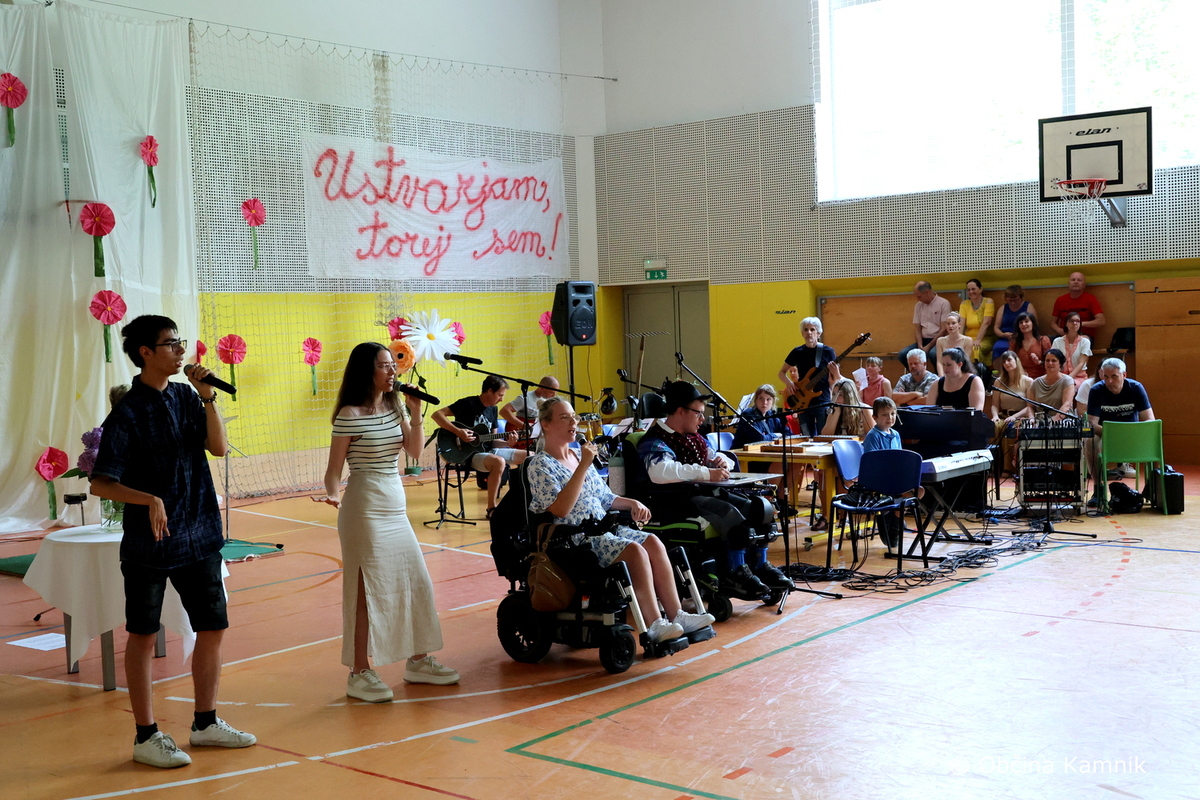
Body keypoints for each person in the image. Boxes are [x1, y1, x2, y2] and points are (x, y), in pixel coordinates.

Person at [90, 316, 255, 769]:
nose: (181, 351)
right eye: (170, 344)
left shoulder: (186, 395)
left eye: (180, 342)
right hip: (151, 543)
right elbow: (101, 483)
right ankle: (146, 735)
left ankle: (205, 723)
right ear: (145, 352)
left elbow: (218, 448)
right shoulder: (127, 413)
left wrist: (208, 397)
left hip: (199, 532)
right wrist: (149, 499)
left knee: (213, 626)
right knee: (143, 635)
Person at [314, 342, 458, 703]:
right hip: (364, 508)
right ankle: (358, 671)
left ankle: (419, 660)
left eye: (393, 365)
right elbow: (333, 470)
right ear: (367, 371)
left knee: (415, 582)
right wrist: (333, 494)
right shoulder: (349, 414)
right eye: (384, 366)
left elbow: (414, 451)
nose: (392, 371)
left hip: (395, 507)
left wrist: (416, 411)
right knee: (366, 591)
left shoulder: (396, 407)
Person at [526, 397, 715, 642]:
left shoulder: (577, 456)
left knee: (653, 542)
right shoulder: (540, 464)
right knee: (635, 551)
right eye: (564, 418)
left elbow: (605, 497)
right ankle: (654, 624)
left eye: (573, 416)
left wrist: (633, 503)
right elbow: (561, 509)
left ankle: (677, 615)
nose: (573, 422)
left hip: (602, 530)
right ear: (546, 424)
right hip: (574, 539)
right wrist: (584, 466)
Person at [636, 382, 794, 596]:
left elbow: (716, 455)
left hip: (705, 493)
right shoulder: (655, 440)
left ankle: (759, 565)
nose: (702, 419)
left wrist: (722, 461)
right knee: (729, 514)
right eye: (698, 413)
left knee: (760, 509)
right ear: (681, 411)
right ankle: (735, 573)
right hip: (677, 501)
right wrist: (706, 472)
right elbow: (660, 471)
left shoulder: (694, 437)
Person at [431, 375, 529, 517]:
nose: (501, 399)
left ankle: (526, 503)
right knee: (499, 462)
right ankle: (491, 508)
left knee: (529, 456)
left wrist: (507, 443)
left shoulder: (493, 410)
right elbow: (437, 414)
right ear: (490, 391)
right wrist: (458, 432)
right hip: (467, 453)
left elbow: (492, 440)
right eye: (500, 395)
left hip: (488, 451)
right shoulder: (467, 404)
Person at [1086, 358, 1154, 491]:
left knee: (1154, 441)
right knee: (1090, 441)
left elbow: (1150, 420)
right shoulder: (1096, 390)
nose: (1109, 381)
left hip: (1132, 435)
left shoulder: (1136, 388)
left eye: (1114, 376)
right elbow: (1092, 424)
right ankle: (1098, 487)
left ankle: (1153, 488)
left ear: (1124, 375)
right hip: (1106, 435)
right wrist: (1115, 433)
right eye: (1106, 377)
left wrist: (1129, 432)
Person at [778, 316, 836, 436]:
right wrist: (789, 384)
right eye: (806, 330)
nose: (809, 332)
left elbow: (836, 377)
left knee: (823, 436)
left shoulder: (828, 352)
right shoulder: (797, 352)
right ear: (802, 333)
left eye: (812, 329)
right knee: (806, 436)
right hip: (802, 402)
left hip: (822, 401)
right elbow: (781, 373)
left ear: (818, 333)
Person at [990, 351, 1032, 471]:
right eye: (1004, 362)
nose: (1006, 363)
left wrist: (1015, 416)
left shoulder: (1028, 381)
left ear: (1016, 361)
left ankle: (1009, 468)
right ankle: (995, 468)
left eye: (1009, 360)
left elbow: (1030, 406)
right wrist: (995, 416)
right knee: (994, 427)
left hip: (1021, 417)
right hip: (1003, 416)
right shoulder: (999, 381)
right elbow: (994, 405)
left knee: (1010, 428)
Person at [1012, 348, 1076, 420]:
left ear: (1060, 363)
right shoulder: (1036, 382)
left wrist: (1053, 422)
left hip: (1062, 421)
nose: (1050, 363)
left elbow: (1066, 405)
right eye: (1047, 360)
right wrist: (1031, 419)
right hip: (1041, 421)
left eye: (1054, 361)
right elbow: (1030, 406)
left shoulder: (1067, 381)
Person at [900, 281, 952, 368]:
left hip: (938, 340)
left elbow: (944, 329)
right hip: (923, 340)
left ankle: (940, 375)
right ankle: (917, 374)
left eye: (919, 296)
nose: (918, 299)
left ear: (927, 292)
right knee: (903, 354)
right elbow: (917, 328)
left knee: (933, 354)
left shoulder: (943, 303)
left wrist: (929, 346)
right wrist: (920, 345)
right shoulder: (918, 306)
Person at [731, 384, 788, 450]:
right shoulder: (747, 415)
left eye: (768, 399)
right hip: (741, 453)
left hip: (761, 452)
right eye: (761, 398)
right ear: (756, 400)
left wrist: (769, 436)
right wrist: (776, 435)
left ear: (773, 401)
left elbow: (788, 434)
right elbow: (759, 439)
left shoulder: (772, 415)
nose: (764, 402)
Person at [1051, 271, 1106, 336]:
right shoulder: (1060, 300)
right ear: (1068, 284)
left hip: (1083, 335)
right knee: (1044, 339)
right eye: (1073, 280)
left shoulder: (1090, 299)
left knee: (1081, 341)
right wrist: (1060, 331)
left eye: (1079, 280)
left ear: (1084, 285)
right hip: (1064, 335)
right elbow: (1053, 323)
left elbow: (1101, 321)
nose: (1076, 282)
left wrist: (1080, 324)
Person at [991, 285, 1038, 361]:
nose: (1013, 303)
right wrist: (1003, 334)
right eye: (1010, 300)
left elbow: (1035, 325)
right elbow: (996, 327)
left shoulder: (1028, 306)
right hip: (1005, 338)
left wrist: (1020, 335)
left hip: (1023, 337)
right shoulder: (1003, 308)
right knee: (997, 348)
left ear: (1021, 297)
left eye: (1016, 300)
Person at [1051, 311, 1093, 387]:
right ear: (1066, 324)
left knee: (1069, 385)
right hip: (1060, 376)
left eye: (1077, 321)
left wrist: (1068, 378)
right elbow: (1054, 361)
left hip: (1079, 377)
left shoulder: (1085, 342)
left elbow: (1081, 363)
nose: (1075, 323)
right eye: (1071, 321)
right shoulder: (1057, 341)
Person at [959, 278, 996, 363]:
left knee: (975, 348)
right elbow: (961, 324)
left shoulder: (988, 301)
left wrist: (978, 340)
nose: (971, 292)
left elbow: (986, 323)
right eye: (968, 290)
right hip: (968, 337)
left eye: (973, 289)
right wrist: (959, 339)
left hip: (985, 337)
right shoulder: (964, 304)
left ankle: (976, 370)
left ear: (980, 289)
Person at [1012, 313, 1052, 379]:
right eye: (1021, 322)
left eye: (1026, 321)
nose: (1023, 324)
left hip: (1041, 378)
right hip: (1021, 378)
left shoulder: (1043, 340)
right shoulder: (1014, 342)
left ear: (1033, 323)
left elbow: (1051, 362)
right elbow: (1011, 361)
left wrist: (1039, 362)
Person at [935, 312, 974, 377]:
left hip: (961, 374)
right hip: (945, 374)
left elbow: (966, 362)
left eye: (953, 323)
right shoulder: (940, 341)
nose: (950, 326)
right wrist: (942, 377)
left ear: (959, 324)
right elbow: (939, 362)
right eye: (948, 324)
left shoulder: (968, 340)